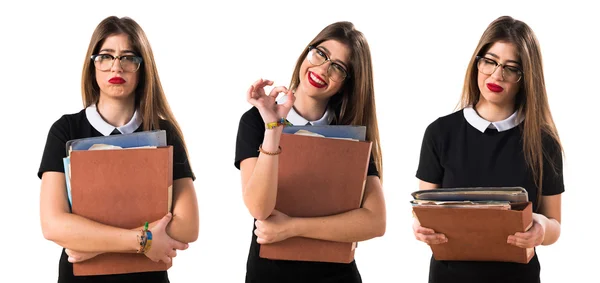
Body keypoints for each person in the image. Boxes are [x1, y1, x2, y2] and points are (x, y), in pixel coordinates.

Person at [38, 16, 199, 283]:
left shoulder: (164, 133)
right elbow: (53, 224)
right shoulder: (65, 130)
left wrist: (91, 244)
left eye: (128, 58)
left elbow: (188, 225)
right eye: (106, 56)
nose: (117, 67)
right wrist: (145, 241)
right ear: (93, 66)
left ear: (142, 68)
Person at [414, 16, 564, 283]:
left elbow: (554, 224)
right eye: (490, 61)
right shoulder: (439, 133)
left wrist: (541, 228)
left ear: (525, 77)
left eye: (511, 67)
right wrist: (420, 228)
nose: (497, 75)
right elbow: (424, 210)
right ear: (477, 62)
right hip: (449, 277)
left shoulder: (543, 141)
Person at [234, 21, 386, 283]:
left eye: (337, 67)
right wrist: (273, 127)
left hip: (336, 276)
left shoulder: (349, 134)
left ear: (346, 83)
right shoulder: (256, 120)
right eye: (320, 54)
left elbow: (375, 222)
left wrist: (291, 228)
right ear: (307, 52)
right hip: (270, 275)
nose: (323, 69)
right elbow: (260, 208)